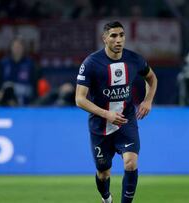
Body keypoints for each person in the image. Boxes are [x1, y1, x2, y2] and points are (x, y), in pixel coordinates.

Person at [75, 21, 157, 203]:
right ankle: (106, 198)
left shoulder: (134, 59)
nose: (118, 40)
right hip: (100, 125)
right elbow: (79, 99)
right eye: (113, 36)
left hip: (126, 121)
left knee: (130, 162)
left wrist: (148, 100)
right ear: (104, 38)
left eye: (121, 35)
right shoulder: (91, 63)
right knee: (103, 172)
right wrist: (107, 114)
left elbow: (151, 78)